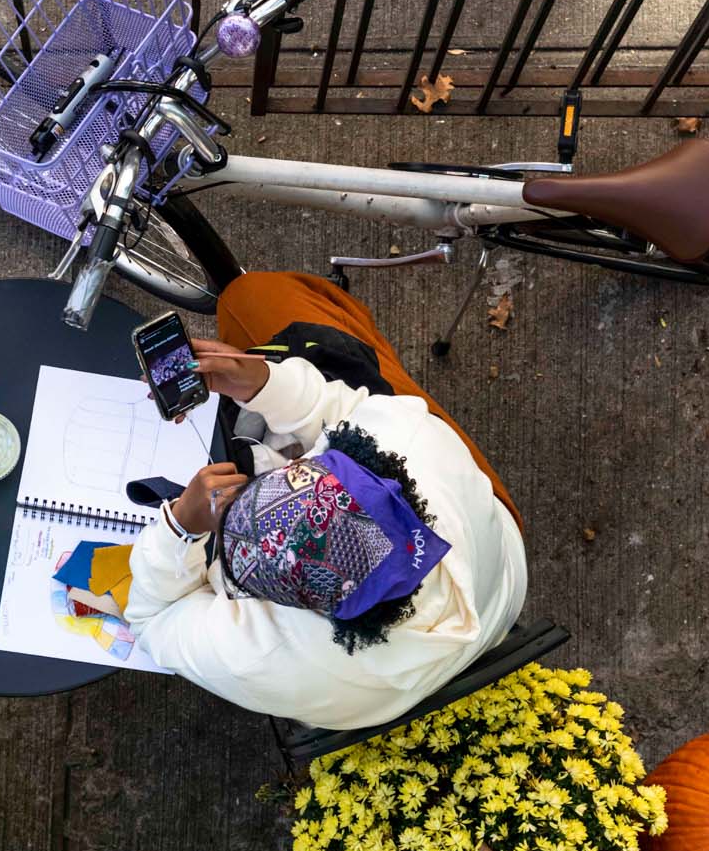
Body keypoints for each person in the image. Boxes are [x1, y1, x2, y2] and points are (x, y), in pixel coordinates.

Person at [121, 271, 526, 731]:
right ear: (373, 472)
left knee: (248, 300)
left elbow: (150, 621)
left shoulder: (262, 657)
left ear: (300, 610)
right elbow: (351, 411)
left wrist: (179, 528)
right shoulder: (412, 440)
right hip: (495, 575)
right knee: (262, 304)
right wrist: (262, 384)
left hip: (493, 573)